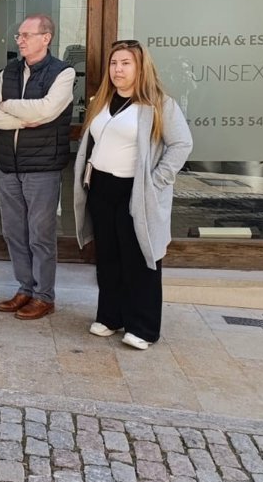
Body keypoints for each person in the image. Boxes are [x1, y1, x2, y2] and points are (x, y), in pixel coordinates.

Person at [73, 40, 192, 350]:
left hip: (135, 191)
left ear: (141, 68)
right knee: (108, 256)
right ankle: (110, 316)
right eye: (114, 63)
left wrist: (156, 180)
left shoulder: (159, 104)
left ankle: (143, 327)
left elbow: (182, 144)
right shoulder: (102, 100)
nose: (118, 69)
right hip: (101, 188)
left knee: (139, 258)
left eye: (126, 63)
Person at [0, 14, 74, 320]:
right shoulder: (8, 71)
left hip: (42, 169)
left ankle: (44, 296)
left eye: (26, 35)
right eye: (18, 35)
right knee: (14, 234)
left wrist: (7, 106)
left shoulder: (63, 73)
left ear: (46, 38)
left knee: (40, 236)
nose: (19, 40)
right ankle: (25, 289)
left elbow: (47, 110)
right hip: (8, 166)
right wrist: (22, 119)